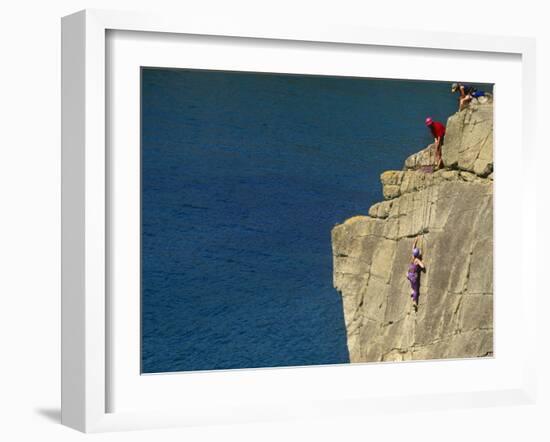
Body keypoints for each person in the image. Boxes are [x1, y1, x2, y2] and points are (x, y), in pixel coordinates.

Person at [406, 236, 425, 306]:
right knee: (416, 289)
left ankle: (412, 292)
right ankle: (414, 301)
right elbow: (422, 266)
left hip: (409, 274)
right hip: (414, 276)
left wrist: (416, 240)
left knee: (412, 286)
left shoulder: (412, 256)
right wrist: (422, 262)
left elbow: (413, 246)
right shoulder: (417, 260)